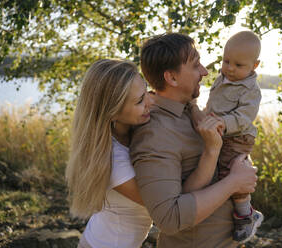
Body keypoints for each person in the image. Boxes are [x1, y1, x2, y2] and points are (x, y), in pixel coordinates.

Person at [66, 59, 227, 248]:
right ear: (113, 113)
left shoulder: (132, 126)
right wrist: (214, 155)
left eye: (146, 91)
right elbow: (174, 204)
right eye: (140, 100)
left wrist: (193, 109)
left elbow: (174, 98)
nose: (151, 100)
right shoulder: (114, 161)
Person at [130, 33, 258, 248]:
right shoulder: (155, 134)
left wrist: (192, 107)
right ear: (172, 78)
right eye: (196, 65)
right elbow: (169, 219)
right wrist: (234, 182)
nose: (206, 72)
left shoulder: (189, 113)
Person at [190, 30, 264, 243]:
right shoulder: (223, 78)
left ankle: (246, 214)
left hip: (237, 136)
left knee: (228, 172)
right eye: (226, 61)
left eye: (239, 65)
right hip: (220, 131)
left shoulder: (251, 90)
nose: (230, 68)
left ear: (254, 65)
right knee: (211, 167)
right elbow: (213, 103)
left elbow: (244, 118)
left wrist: (224, 122)